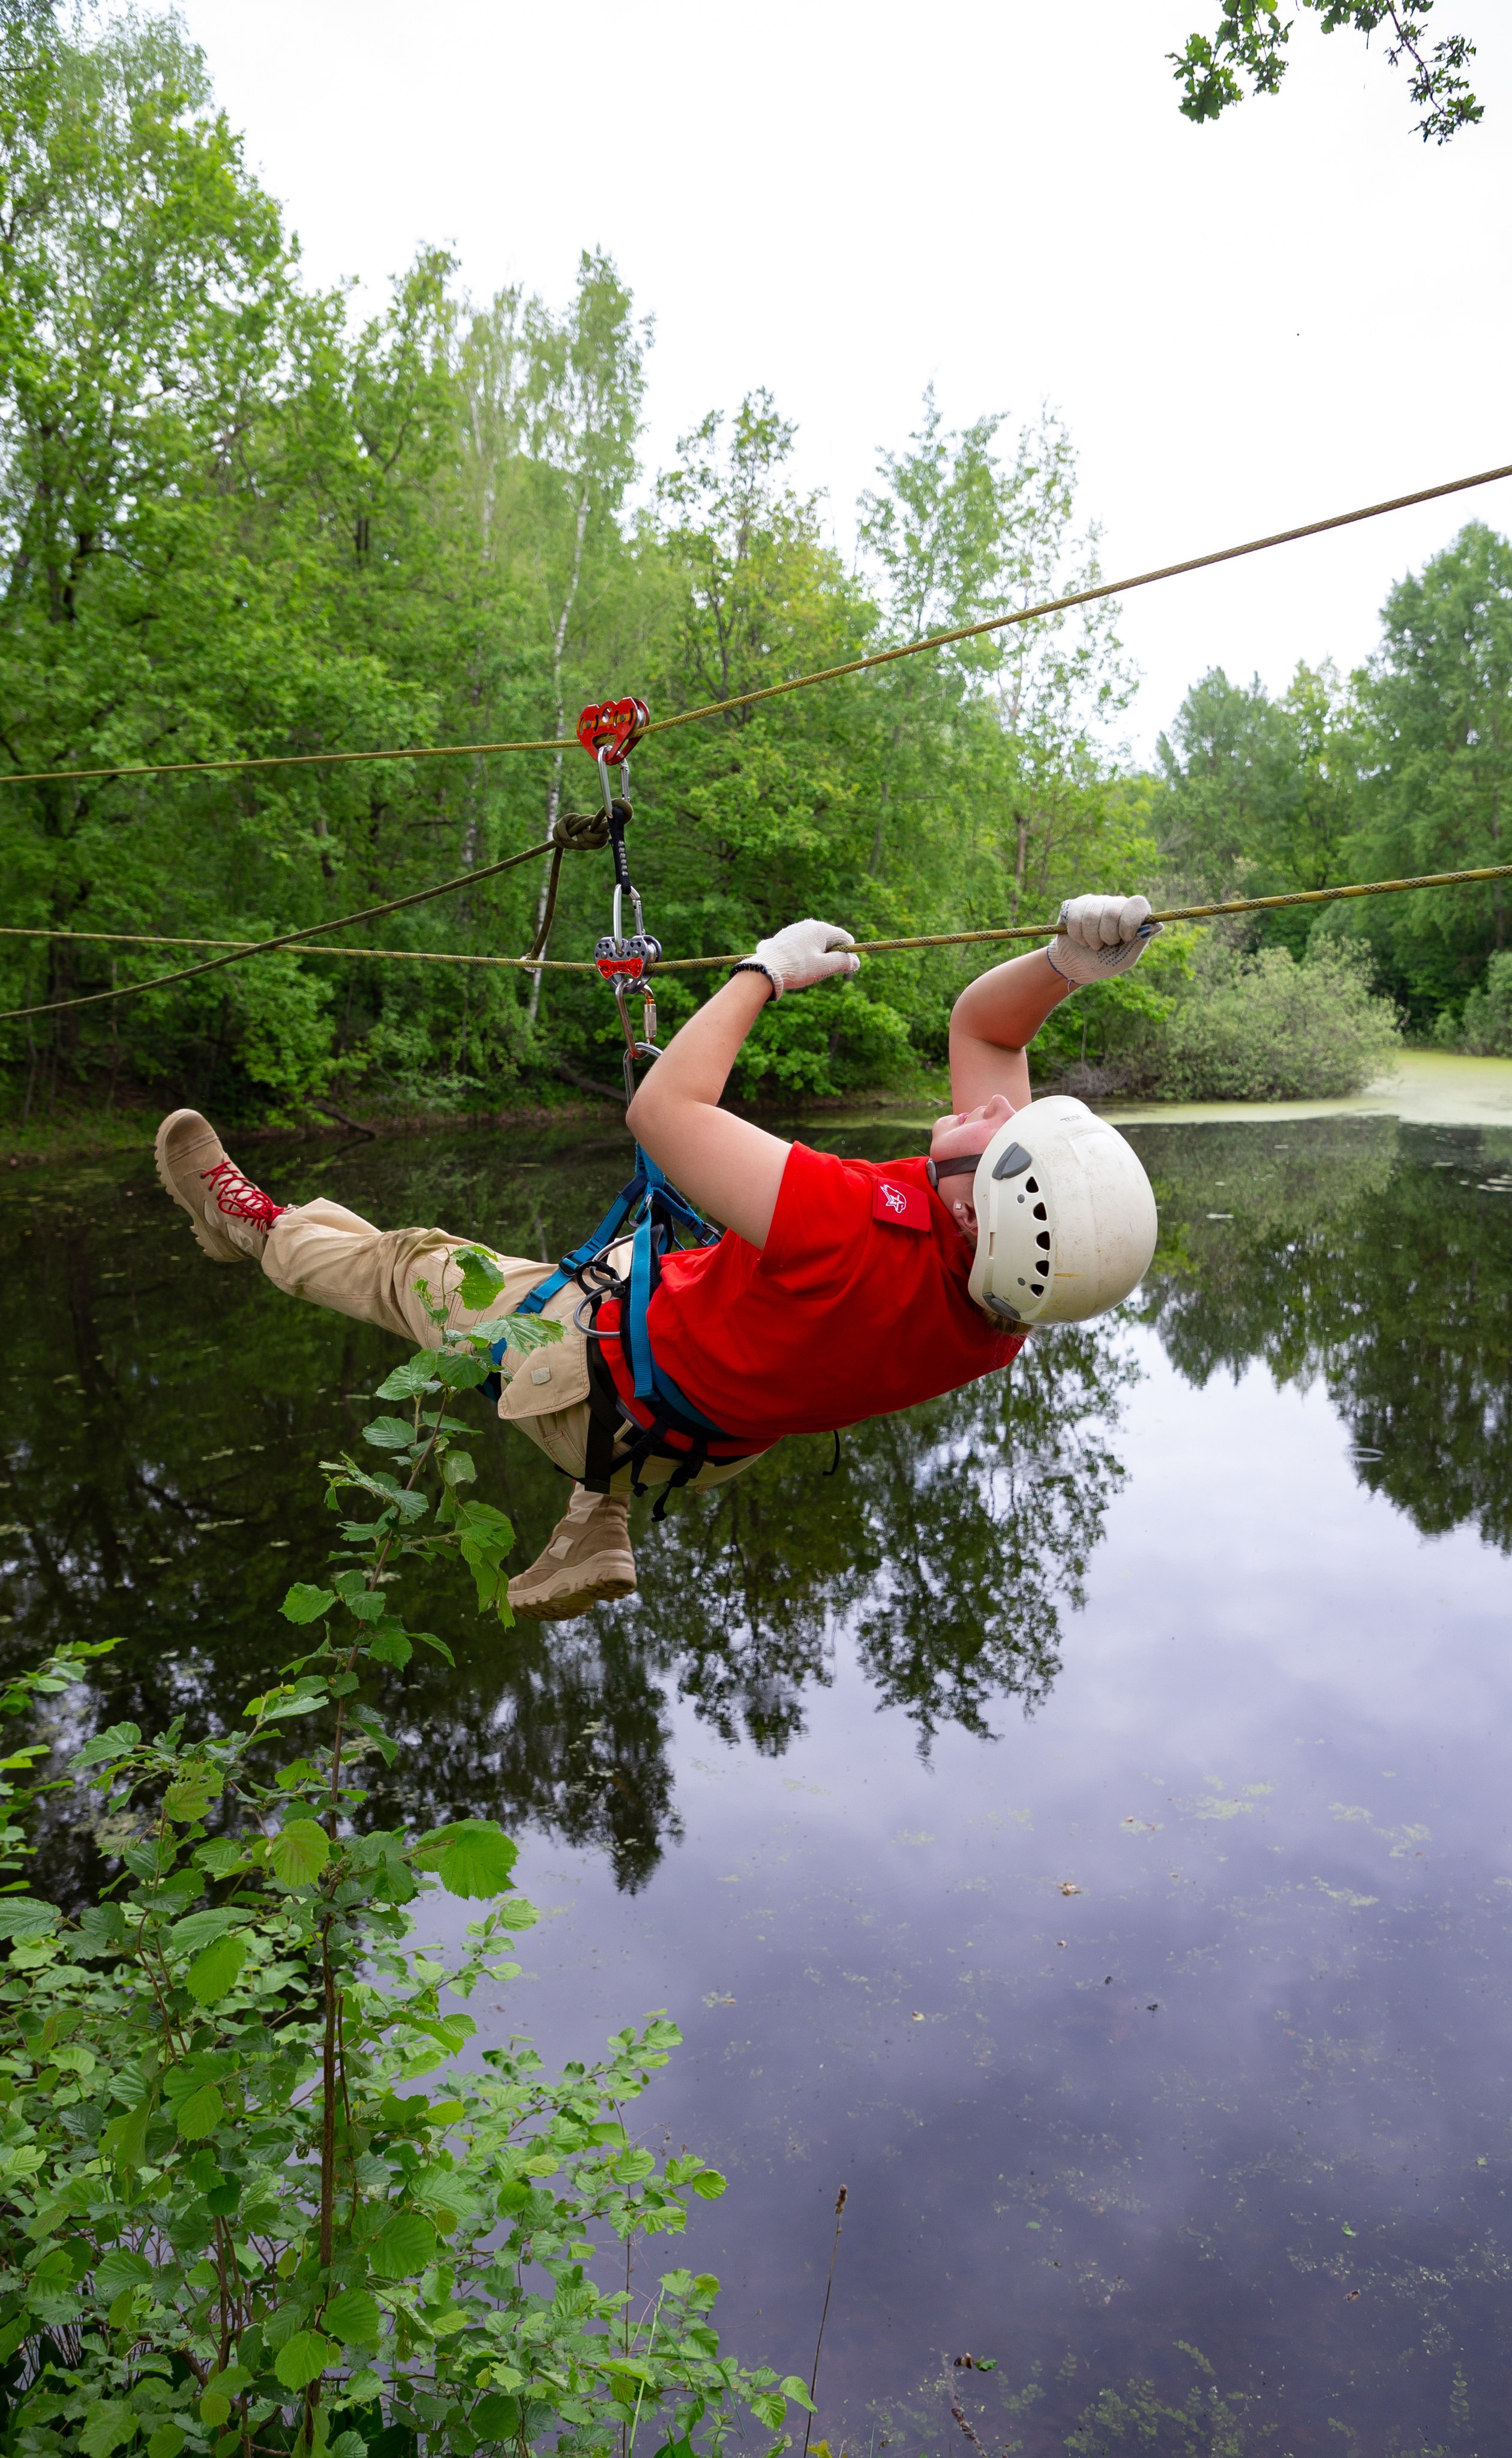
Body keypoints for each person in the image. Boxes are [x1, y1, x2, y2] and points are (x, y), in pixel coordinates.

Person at [154, 893, 1161, 1622]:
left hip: (587, 1382)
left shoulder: (849, 1228)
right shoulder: (1006, 1307)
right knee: (677, 1291)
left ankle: (255, 1228)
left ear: (978, 1208)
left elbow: (664, 1111)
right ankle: (598, 1513)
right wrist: (1062, 967)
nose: (994, 1106)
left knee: (411, 1265)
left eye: (1001, 1129)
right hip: (707, 1438)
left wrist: (762, 972)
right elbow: (987, 1027)